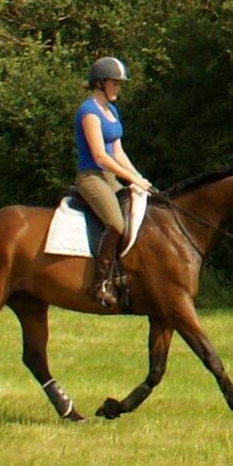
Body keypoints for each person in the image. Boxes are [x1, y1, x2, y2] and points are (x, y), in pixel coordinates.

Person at [73, 56, 152, 307]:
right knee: (116, 224)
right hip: (91, 176)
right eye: (115, 83)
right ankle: (101, 284)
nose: (118, 87)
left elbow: (118, 153)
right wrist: (130, 179)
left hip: (110, 177)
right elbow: (100, 156)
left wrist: (139, 178)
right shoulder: (89, 111)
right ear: (100, 83)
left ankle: (126, 277)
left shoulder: (112, 110)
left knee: (139, 214)